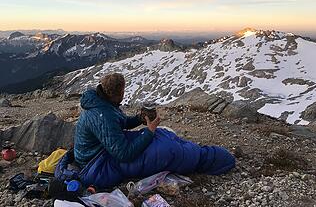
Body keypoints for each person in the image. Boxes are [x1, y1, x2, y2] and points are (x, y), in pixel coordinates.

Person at [62, 73, 235, 188]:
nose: (124, 93)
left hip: (103, 150)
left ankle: (203, 154)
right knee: (166, 150)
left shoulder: (103, 103)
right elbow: (124, 154)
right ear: (117, 92)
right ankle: (213, 158)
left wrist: (139, 119)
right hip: (97, 162)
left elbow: (117, 125)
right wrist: (149, 131)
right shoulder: (102, 114)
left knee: (164, 136)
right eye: (123, 90)